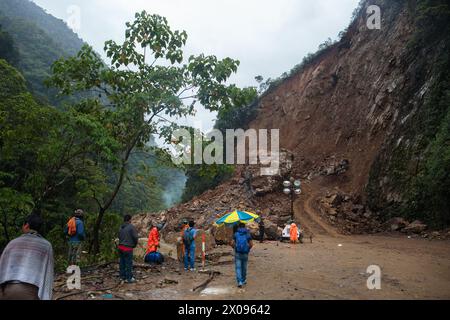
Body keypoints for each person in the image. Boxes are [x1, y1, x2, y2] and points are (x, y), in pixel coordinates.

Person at [0, 214, 54, 300]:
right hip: (31, 292)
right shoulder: (46, 246)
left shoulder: (12, 243)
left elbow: (2, 268)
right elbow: (48, 273)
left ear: (26, 225)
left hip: (8, 290)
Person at [118, 214, 139, 283]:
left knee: (122, 262)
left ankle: (122, 277)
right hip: (128, 248)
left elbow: (119, 236)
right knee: (128, 263)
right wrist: (135, 244)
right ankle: (129, 278)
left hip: (120, 247)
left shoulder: (121, 227)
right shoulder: (131, 227)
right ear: (130, 220)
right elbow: (135, 237)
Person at [231, 223, 253, 288]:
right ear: (244, 227)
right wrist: (248, 249)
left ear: (238, 227)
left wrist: (234, 248)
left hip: (238, 253)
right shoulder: (247, 234)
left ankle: (239, 282)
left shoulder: (236, 234)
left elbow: (232, 243)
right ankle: (243, 280)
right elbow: (251, 244)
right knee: (244, 267)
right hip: (245, 253)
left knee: (238, 268)